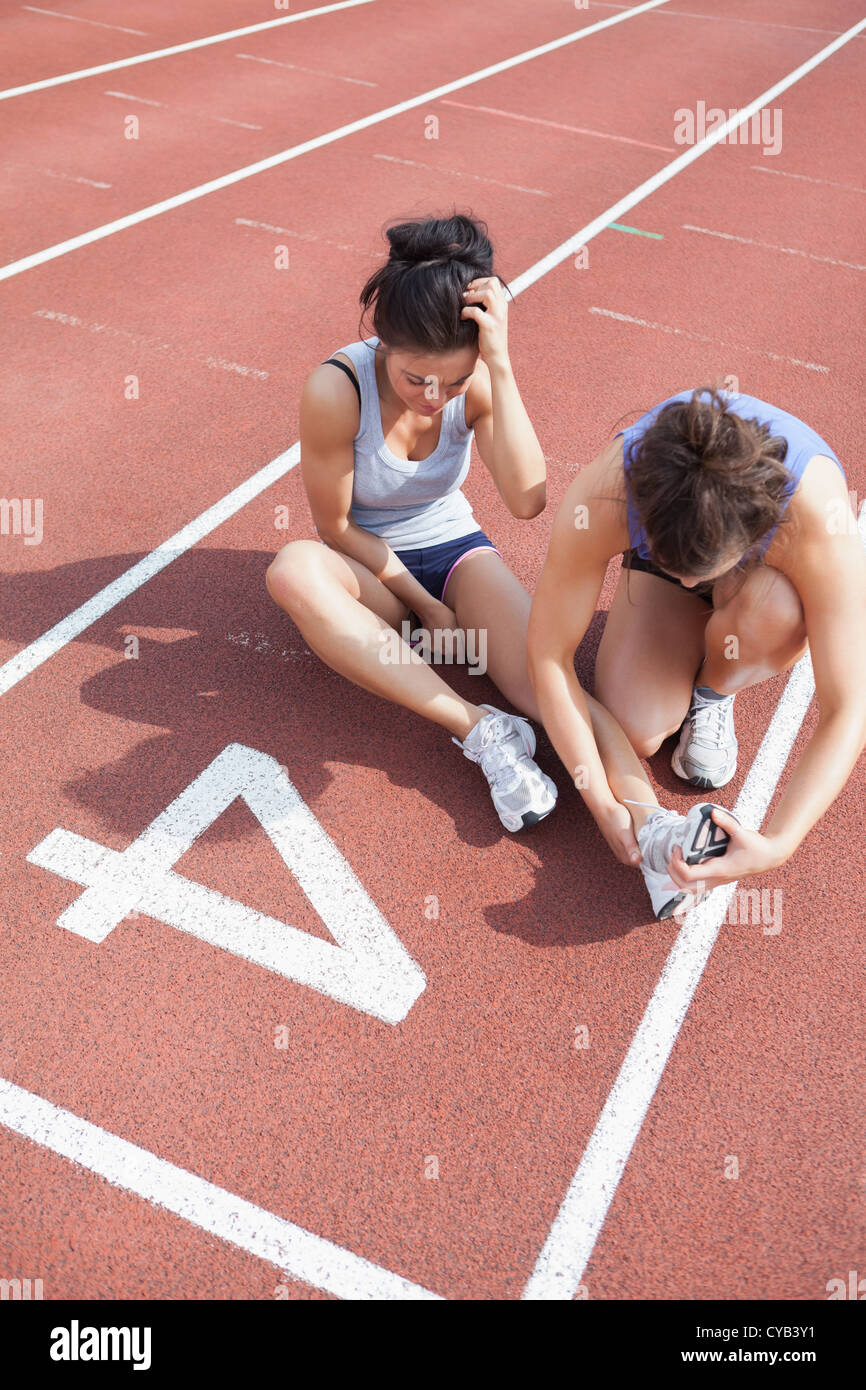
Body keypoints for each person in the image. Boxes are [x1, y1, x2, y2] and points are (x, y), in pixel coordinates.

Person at [527, 385, 866, 918]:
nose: (685, 578)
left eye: (695, 570)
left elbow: (848, 708)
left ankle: (714, 690)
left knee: (774, 609)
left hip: (764, 581)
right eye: (671, 561)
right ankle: (678, 607)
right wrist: (600, 798)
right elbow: (548, 655)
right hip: (690, 533)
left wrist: (779, 843)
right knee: (636, 729)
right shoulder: (606, 493)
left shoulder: (816, 519)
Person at [266, 213, 557, 832]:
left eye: (451, 382)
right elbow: (337, 527)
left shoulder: (478, 377)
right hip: (370, 572)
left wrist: (499, 367)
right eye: (416, 378)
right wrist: (425, 607)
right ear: (383, 344)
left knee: (553, 697)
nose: (433, 396)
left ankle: (643, 817)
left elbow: (528, 500)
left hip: (454, 548)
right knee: (292, 571)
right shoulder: (336, 389)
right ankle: (478, 728)